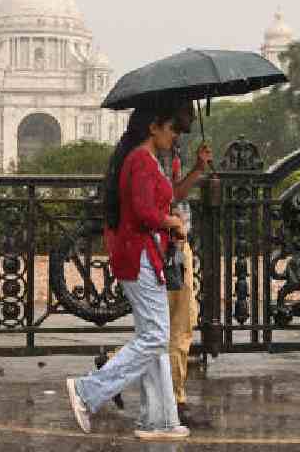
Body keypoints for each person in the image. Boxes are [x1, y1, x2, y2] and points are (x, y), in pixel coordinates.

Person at [66, 105, 190, 441]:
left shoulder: (144, 159)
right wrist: (172, 222)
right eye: (172, 128)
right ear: (154, 127)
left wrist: (169, 217)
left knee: (154, 336)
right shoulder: (139, 160)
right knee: (153, 336)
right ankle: (87, 391)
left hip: (145, 254)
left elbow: (152, 205)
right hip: (139, 256)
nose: (176, 135)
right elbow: (143, 211)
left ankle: (159, 419)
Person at [160, 101, 212, 427]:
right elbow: (171, 196)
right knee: (179, 326)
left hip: (175, 243)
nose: (193, 117)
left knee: (164, 327)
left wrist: (196, 167)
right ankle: (176, 401)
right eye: (187, 113)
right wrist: (196, 171)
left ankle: (108, 369)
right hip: (172, 245)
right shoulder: (161, 153)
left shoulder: (171, 148)